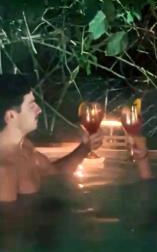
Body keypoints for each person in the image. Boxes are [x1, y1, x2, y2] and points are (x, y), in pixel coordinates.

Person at [0, 74, 103, 202]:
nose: (39, 110)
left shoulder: (26, 148)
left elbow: (56, 173)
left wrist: (85, 147)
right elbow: (11, 220)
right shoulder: (4, 171)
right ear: (11, 116)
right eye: (31, 105)